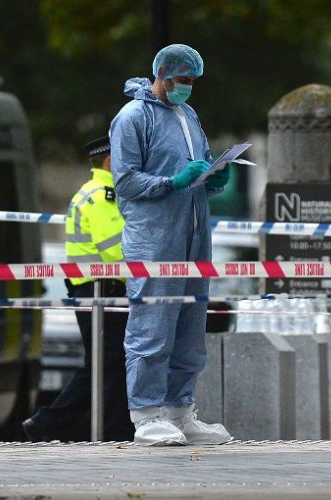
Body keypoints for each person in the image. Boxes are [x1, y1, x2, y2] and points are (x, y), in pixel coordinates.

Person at [109, 43, 231, 446]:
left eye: (193, 82)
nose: (188, 87)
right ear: (162, 74)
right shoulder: (132, 118)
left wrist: (213, 176)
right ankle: (146, 414)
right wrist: (172, 182)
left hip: (194, 234)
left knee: (190, 326)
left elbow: (202, 162)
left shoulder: (187, 114)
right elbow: (125, 181)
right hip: (155, 239)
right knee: (153, 325)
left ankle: (180, 411)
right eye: (182, 80)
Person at [23, 136, 134, 442]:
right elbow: (116, 249)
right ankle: (53, 423)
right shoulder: (103, 196)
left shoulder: (96, 192)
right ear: (111, 162)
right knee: (107, 363)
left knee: (108, 363)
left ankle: (106, 429)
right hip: (104, 288)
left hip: (99, 288)